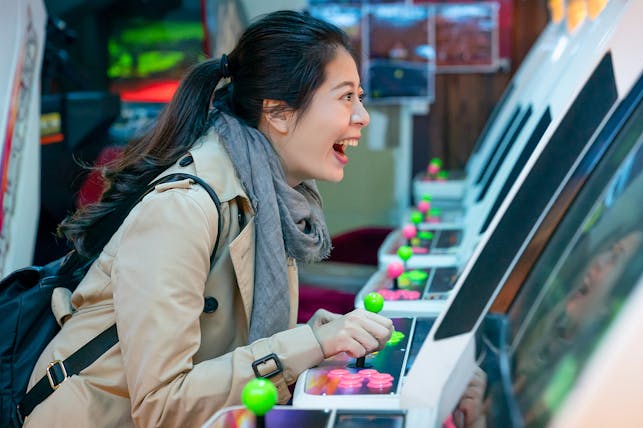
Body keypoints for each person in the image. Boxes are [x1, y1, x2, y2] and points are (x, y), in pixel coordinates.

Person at [23, 10, 394, 427]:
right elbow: (162, 405)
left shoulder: (270, 198)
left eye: (359, 97)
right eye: (347, 97)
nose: (361, 116)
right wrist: (306, 343)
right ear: (278, 113)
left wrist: (315, 341)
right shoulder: (182, 209)